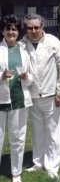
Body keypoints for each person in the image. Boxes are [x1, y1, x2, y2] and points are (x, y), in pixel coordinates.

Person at [21, 13, 60, 179]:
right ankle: (38, 162)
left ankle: (52, 166)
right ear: (26, 28)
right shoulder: (22, 45)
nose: (33, 31)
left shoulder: (53, 42)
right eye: (30, 27)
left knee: (53, 132)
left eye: (37, 27)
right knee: (38, 131)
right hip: (32, 96)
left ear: (42, 27)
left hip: (52, 96)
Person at [0, 14, 33, 182]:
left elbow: (31, 78)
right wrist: (1, 75)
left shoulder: (24, 52)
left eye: (14, 29)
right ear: (2, 31)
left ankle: (16, 173)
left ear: (18, 32)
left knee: (18, 139)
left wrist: (26, 76)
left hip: (19, 100)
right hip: (0, 102)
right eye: (8, 29)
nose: (11, 32)